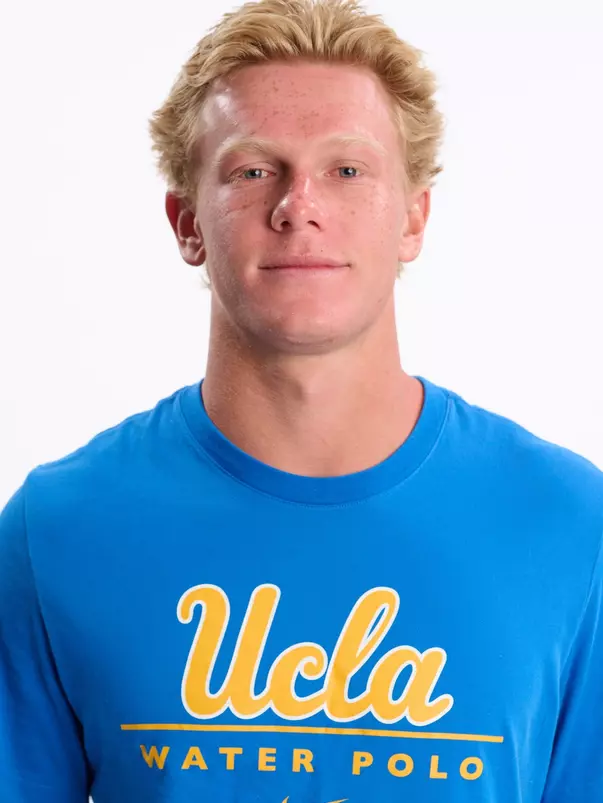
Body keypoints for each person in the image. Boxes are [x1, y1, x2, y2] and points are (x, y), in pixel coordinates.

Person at [1, 0, 602, 800]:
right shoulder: (57, 528)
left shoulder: (566, 525)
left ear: (412, 219)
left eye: (346, 170)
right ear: (186, 222)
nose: (298, 207)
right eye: (253, 171)